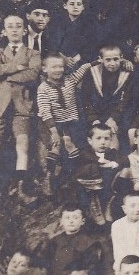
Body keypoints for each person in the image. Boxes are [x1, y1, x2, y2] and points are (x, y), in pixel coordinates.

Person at [0, 13, 41, 213]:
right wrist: (17, 67)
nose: (14, 29)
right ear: (4, 31)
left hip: (21, 106)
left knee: (22, 143)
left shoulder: (33, 54)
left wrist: (6, 74)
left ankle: (21, 190)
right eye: (10, 26)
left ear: (25, 30)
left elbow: (33, 74)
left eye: (18, 26)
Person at [36, 53, 95, 195]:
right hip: (51, 123)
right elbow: (45, 111)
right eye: (54, 67)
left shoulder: (69, 80)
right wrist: (54, 132)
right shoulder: (43, 88)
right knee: (57, 146)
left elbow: (82, 69)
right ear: (44, 69)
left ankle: (71, 180)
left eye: (61, 67)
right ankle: (51, 176)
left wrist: (94, 62)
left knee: (75, 147)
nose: (58, 70)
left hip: (70, 122)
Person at [71, 122, 130, 225]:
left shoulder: (112, 153)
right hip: (89, 187)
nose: (103, 142)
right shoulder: (86, 152)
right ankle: (94, 207)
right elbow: (84, 157)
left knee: (124, 171)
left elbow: (124, 160)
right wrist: (99, 161)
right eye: (98, 138)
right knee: (92, 168)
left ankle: (109, 206)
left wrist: (113, 163)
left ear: (111, 140)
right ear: (90, 140)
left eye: (106, 139)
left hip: (107, 187)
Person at [79, 44, 132, 152]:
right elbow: (85, 99)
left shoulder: (127, 74)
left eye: (115, 59)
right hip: (95, 117)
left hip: (116, 118)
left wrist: (114, 118)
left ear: (121, 58)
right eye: (108, 60)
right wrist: (93, 119)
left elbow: (126, 100)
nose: (112, 63)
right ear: (100, 59)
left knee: (114, 139)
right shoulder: (92, 73)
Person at [43, 205, 106, 275]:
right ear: (61, 221)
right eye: (67, 218)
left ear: (82, 221)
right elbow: (47, 264)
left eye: (75, 218)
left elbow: (93, 270)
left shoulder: (89, 243)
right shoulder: (55, 241)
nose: (71, 221)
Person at [44, 0, 95, 68]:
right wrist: (64, 58)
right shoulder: (57, 23)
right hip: (59, 59)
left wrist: (76, 58)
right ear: (65, 6)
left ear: (83, 7)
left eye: (78, 4)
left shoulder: (89, 24)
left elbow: (91, 45)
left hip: (81, 61)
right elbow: (52, 44)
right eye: (72, 4)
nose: (75, 7)